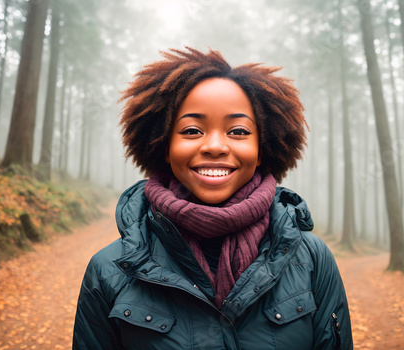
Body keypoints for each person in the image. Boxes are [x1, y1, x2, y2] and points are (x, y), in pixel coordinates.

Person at [73, 47, 353, 350]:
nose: (216, 146)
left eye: (238, 131)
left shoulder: (311, 260)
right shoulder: (110, 269)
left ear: (262, 150)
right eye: (192, 130)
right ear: (165, 148)